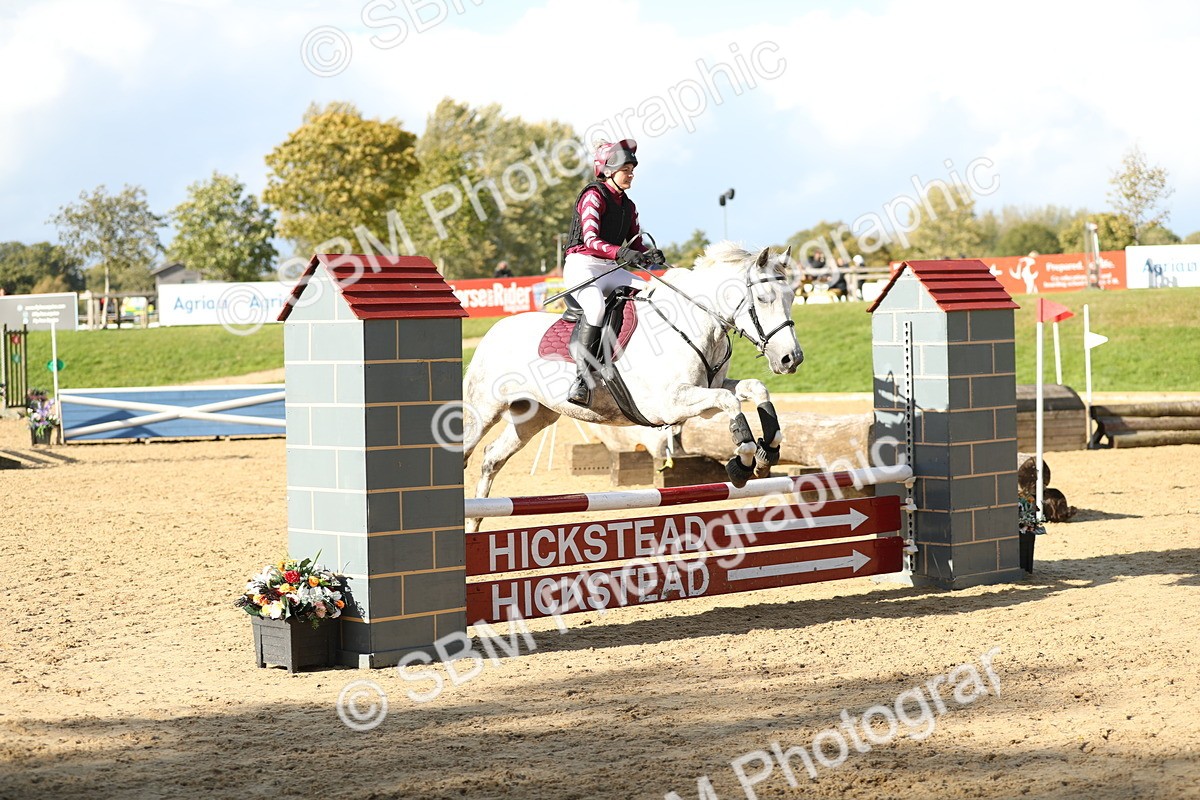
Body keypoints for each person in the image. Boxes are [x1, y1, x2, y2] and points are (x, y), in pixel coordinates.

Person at [561, 138, 665, 407]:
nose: (631, 174)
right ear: (608, 170)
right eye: (626, 169)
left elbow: (637, 243)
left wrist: (651, 257)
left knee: (654, 291)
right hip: (582, 267)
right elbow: (591, 240)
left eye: (632, 169)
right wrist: (622, 253)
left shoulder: (628, 206)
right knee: (595, 308)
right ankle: (582, 380)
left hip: (609, 269)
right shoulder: (593, 196)